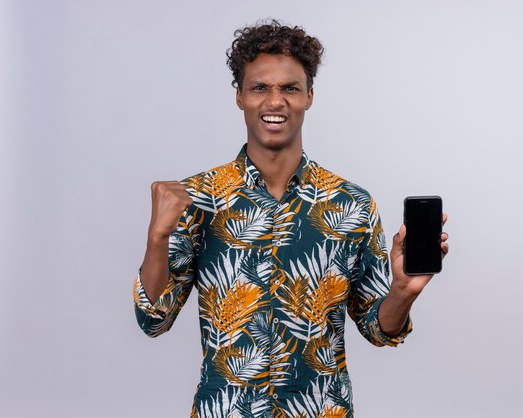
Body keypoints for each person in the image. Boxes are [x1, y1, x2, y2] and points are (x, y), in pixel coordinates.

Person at [133, 19, 449, 418]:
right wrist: (157, 237)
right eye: (260, 87)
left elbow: (378, 329)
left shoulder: (350, 204)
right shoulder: (197, 198)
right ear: (239, 96)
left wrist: (402, 290)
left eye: (290, 88)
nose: (275, 101)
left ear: (309, 96)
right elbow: (152, 320)